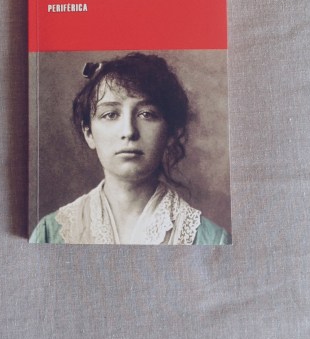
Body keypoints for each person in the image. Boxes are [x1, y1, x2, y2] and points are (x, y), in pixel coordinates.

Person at [30, 52, 231, 245]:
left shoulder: (212, 240)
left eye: (146, 114)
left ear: (170, 133)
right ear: (89, 133)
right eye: (110, 114)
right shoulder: (50, 233)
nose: (128, 131)